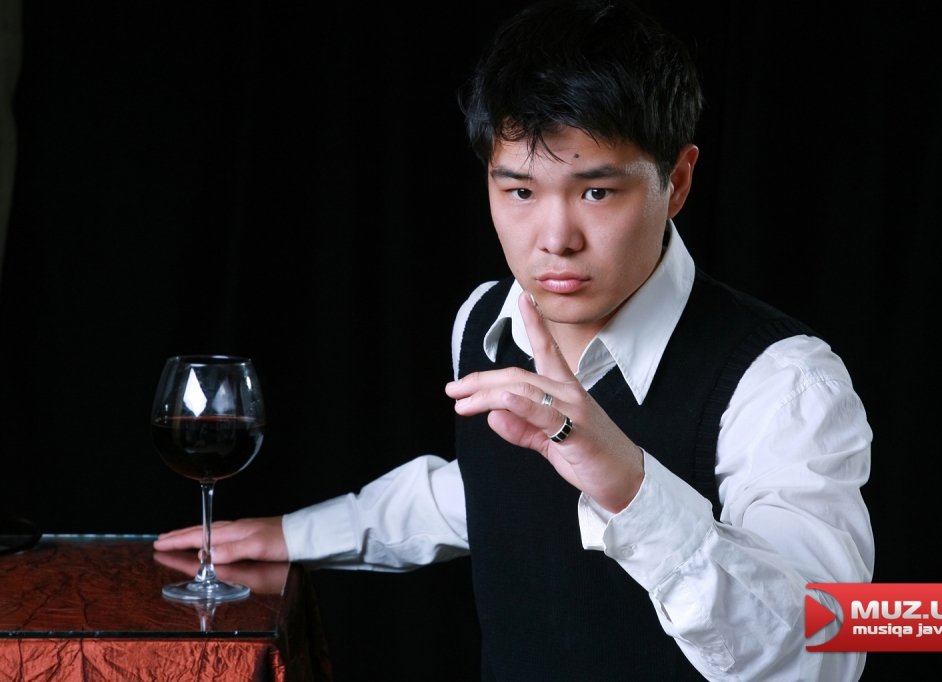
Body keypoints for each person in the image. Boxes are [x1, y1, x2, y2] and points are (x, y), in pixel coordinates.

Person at [155, 1, 874, 679]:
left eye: (597, 191)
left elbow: (828, 647)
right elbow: (488, 489)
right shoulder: (485, 317)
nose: (555, 240)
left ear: (678, 182)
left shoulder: (785, 380)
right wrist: (298, 536)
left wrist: (628, 484)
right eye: (521, 191)